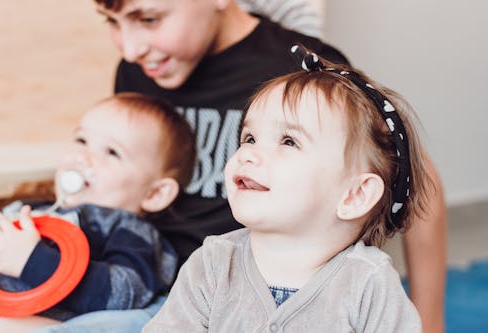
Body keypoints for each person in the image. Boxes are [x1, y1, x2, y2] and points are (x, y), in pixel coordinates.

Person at [49, 0, 445, 331]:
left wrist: (431, 319)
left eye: (149, 19)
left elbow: (413, 178)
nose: (131, 48)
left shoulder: (301, 73)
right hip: (161, 283)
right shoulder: (135, 72)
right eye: (113, 23)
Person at [143, 48, 426, 332]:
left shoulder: (368, 285)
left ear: (355, 195)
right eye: (249, 138)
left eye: (288, 141)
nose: (247, 154)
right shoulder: (214, 264)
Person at [0, 92, 196, 329]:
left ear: (154, 194)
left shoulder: (129, 232)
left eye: (111, 152)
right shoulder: (30, 211)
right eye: (81, 141)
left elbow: (123, 295)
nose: (83, 157)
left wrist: (34, 262)